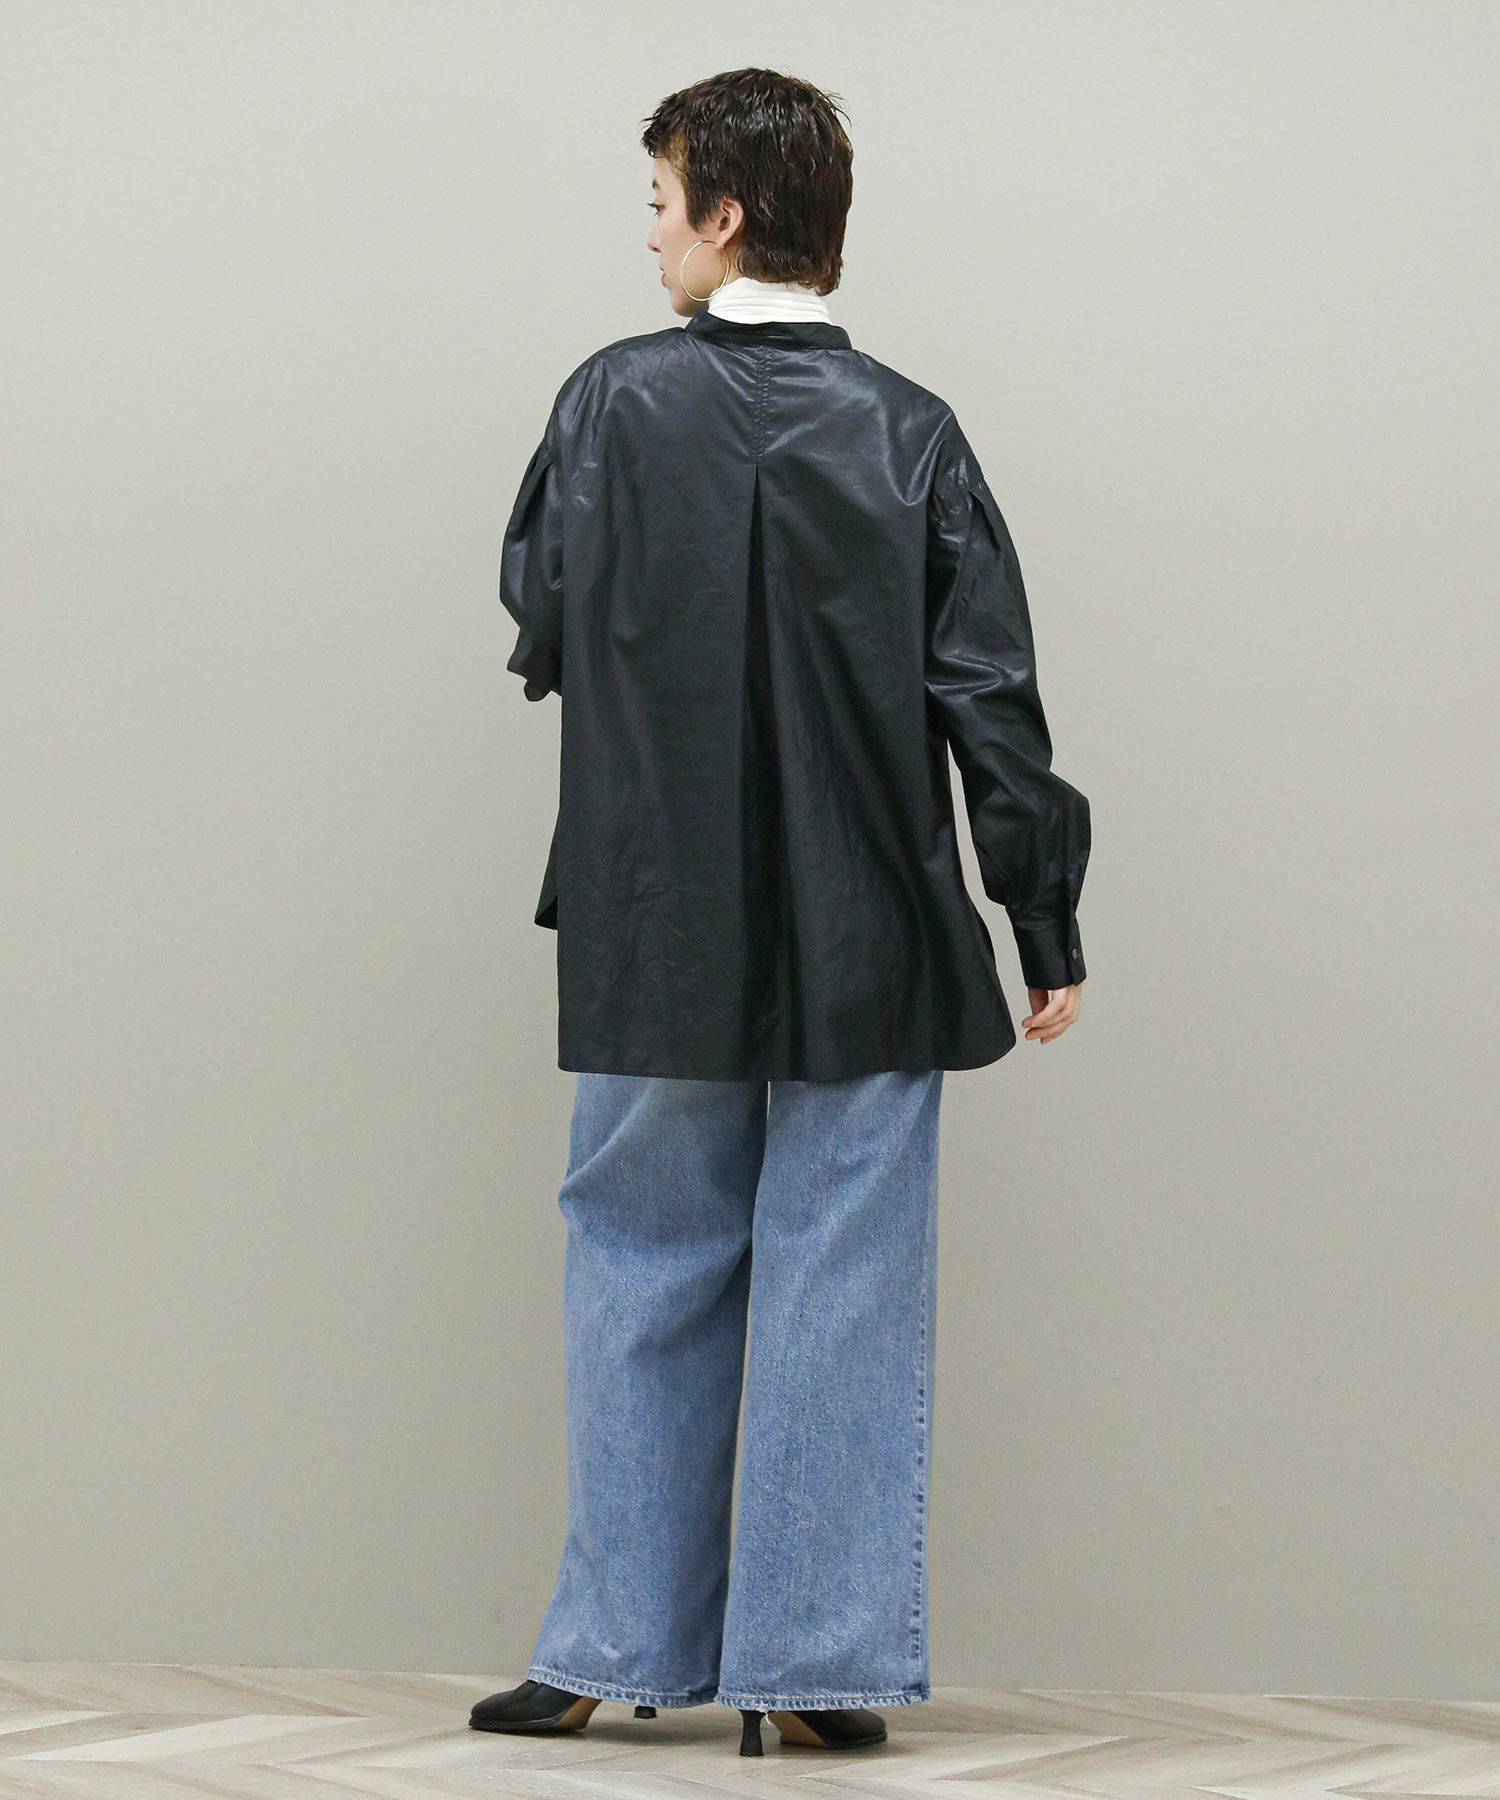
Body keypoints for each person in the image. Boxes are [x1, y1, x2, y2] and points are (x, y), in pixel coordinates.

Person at [470, 67, 1091, 1761]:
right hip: (868, 922)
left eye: (660, 202)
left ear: (726, 213)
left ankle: (609, 1645)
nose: (651, 236)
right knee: (845, 1280)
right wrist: (1041, 918)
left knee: (638, 1258)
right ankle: (811, 1671)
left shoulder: (607, 404)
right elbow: (991, 695)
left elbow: (541, 614)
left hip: (654, 913)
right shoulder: (914, 431)